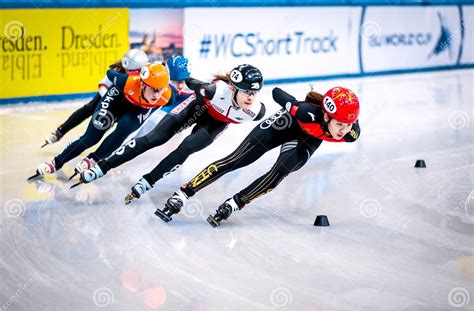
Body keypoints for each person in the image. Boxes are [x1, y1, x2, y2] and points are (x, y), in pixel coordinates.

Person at [154, 86, 361, 226]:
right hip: (286, 123)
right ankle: (183, 193)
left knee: (279, 173)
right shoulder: (307, 112)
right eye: (339, 124)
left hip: (307, 139)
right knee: (235, 160)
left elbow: (346, 129)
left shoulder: (351, 133)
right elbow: (277, 93)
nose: (343, 130)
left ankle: (235, 203)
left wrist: (345, 127)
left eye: (348, 125)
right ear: (326, 115)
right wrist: (291, 105)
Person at [75, 64, 266, 206]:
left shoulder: (256, 111)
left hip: (215, 124)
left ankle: (149, 180)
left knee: (187, 148)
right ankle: (103, 166)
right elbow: (191, 82)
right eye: (246, 91)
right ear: (233, 88)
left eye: (254, 93)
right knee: (154, 138)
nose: (251, 97)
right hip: (196, 107)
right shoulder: (215, 91)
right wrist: (181, 74)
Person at [29, 62, 174, 180]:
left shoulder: (167, 96)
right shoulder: (128, 81)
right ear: (143, 84)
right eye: (154, 89)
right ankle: (57, 162)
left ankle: (93, 159)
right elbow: (110, 74)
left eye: (160, 89)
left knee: (124, 130)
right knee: (91, 137)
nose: (157, 94)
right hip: (116, 101)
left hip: (137, 111)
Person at [41, 49, 149, 148]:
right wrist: (108, 99)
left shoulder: (148, 74)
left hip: (129, 101)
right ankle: (60, 131)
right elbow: (102, 85)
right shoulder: (118, 69)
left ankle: (81, 142)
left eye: (131, 71)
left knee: (110, 122)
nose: (127, 73)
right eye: (125, 70)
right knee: (90, 107)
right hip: (111, 95)